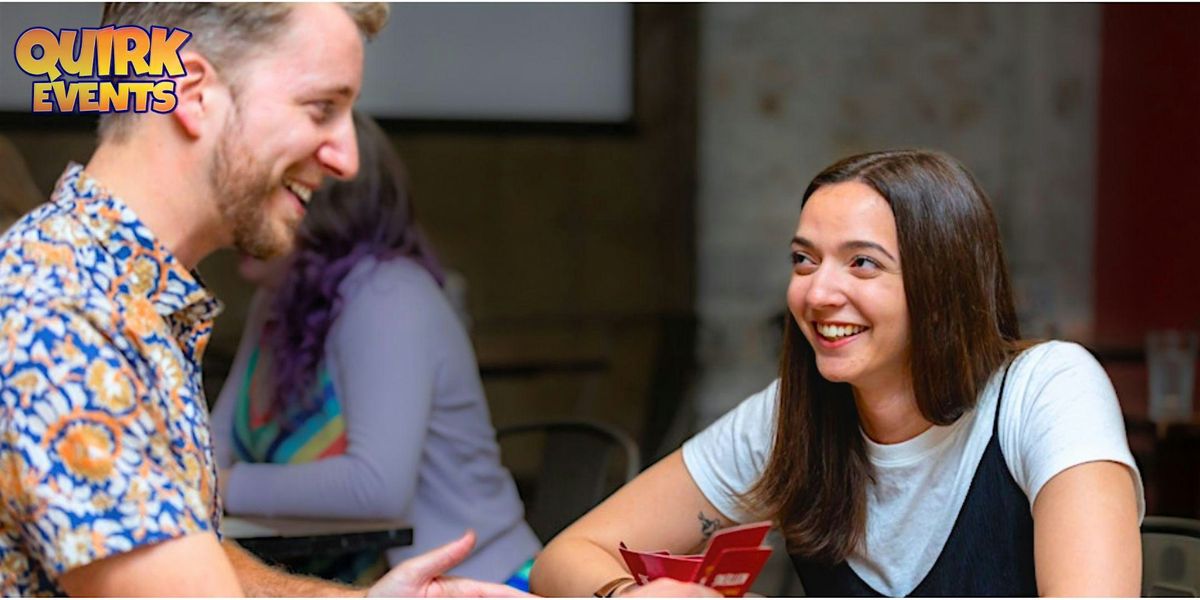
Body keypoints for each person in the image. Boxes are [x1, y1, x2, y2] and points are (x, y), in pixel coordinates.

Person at [0, 3, 523, 597]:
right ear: (193, 94)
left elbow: (184, 554)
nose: (347, 159)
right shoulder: (63, 314)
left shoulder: (122, 295)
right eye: (320, 109)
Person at [529, 149, 1144, 597]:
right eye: (804, 259)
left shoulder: (1047, 389)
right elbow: (565, 559)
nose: (817, 292)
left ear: (940, 288)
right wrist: (631, 596)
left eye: (862, 264)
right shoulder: (790, 416)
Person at [209, 111, 541, 587]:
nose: (236, 213)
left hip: (470, 584)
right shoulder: (275, 300)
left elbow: (375, 487)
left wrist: (223, 485)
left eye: (265, 188)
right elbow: (213, 446)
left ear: (320, 204)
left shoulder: (387, 295)